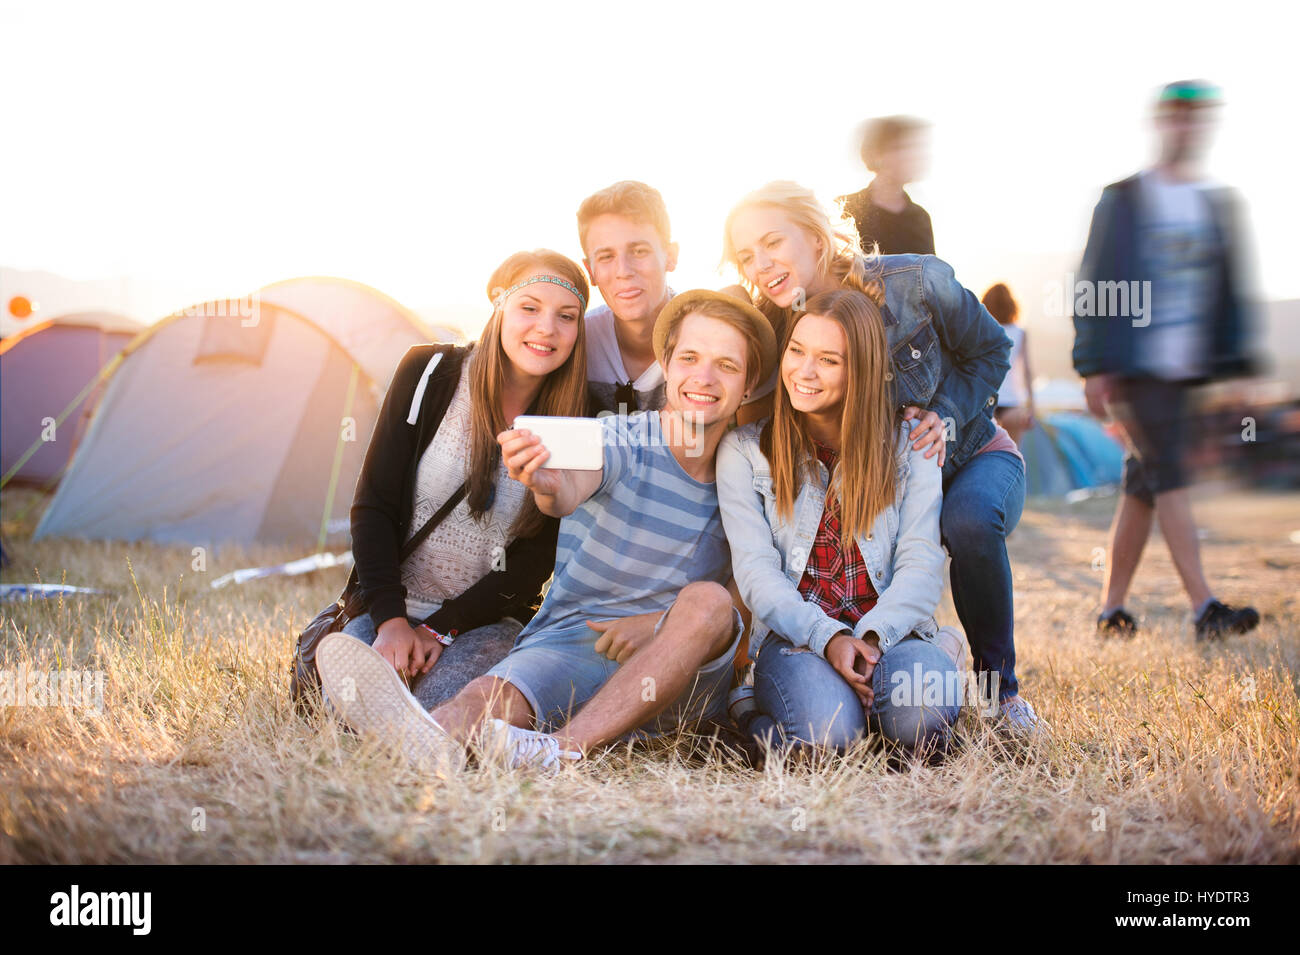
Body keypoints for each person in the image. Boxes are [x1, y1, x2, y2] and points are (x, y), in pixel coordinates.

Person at [315, 289, 778, 770]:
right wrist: (548, 484)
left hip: (684, 673)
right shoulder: (618, 436)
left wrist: (660, 626)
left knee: (708, 602)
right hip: (574, 645)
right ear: (667, 363)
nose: (703, 377)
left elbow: (748, 579)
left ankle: (561, 749)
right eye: (690, 358)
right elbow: (570, 488)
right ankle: (420, 741)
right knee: (475, 703)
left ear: (747, 386)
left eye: (726, 365)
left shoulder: (749, 466)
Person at [722, 181, 1042, 733]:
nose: (762, 265)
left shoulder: (915, 281)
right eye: (747, 257)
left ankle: (1000, 694)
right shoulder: (774, 325)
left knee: (965, 521)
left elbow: (992, 349)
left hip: (966, 454)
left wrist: (942, 414)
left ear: (817, 237)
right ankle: (889, 663)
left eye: (773, 242)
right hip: (881, 479)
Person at [338, 249, 590, 710]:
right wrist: (392, 621)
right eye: (529, 307)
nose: (547, 328)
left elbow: (536, 557)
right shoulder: (429, 372)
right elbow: (373, 504)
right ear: (498, 303)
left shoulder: (578, 415)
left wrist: (442, 627)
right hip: (391, 605)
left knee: (441, 705)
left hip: (483, 621)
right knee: (350, 694)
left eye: (566, 316)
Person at [719, 288, 966, 757]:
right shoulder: (745, 452)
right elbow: (756, 574)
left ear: (862, 371)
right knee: (828, 738)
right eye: (796, 351)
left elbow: (922, 561)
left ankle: (936, 661)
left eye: (828, 360)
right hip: (799, 639)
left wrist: (869, 639)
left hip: (891, 633)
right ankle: (750, 707)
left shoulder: (911, 444)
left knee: (921, 720)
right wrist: (828, 637)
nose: (803, 372)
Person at [1072, 79, 1259, 642]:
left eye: (1195, 119)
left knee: (1143, 485)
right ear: (1161, 124)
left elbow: (1226, 293)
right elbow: (1095, 280)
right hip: (1136, 366)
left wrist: (1232, 371)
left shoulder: (1212, 204)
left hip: (1186, 371)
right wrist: (1092, 362)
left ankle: (1112, 610)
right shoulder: (1126, 199)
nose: (1186, 128)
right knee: (1169, 473)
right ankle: (1205, 608)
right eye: (1176, 118)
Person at [576, 180, 678, 414]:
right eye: (605, 256)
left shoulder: (709, 338)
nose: (623, 271)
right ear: (590, 271)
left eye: (639, 251)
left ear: (670, 256)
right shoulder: (575, 343)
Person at [838, 115, 935, 256]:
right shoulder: (845, 208)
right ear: (877, 154)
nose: (912, 156)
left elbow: (928, 274)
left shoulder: (920, 218)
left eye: (915, 149)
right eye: (901, 148)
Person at [983, 282, 1036, 446]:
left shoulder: (984, 329)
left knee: (985, 453)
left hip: (986, 400)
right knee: (1013, 455)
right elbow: (1027, 371)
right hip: (1012, 403)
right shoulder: (1020, 333)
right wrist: (1032, 407)